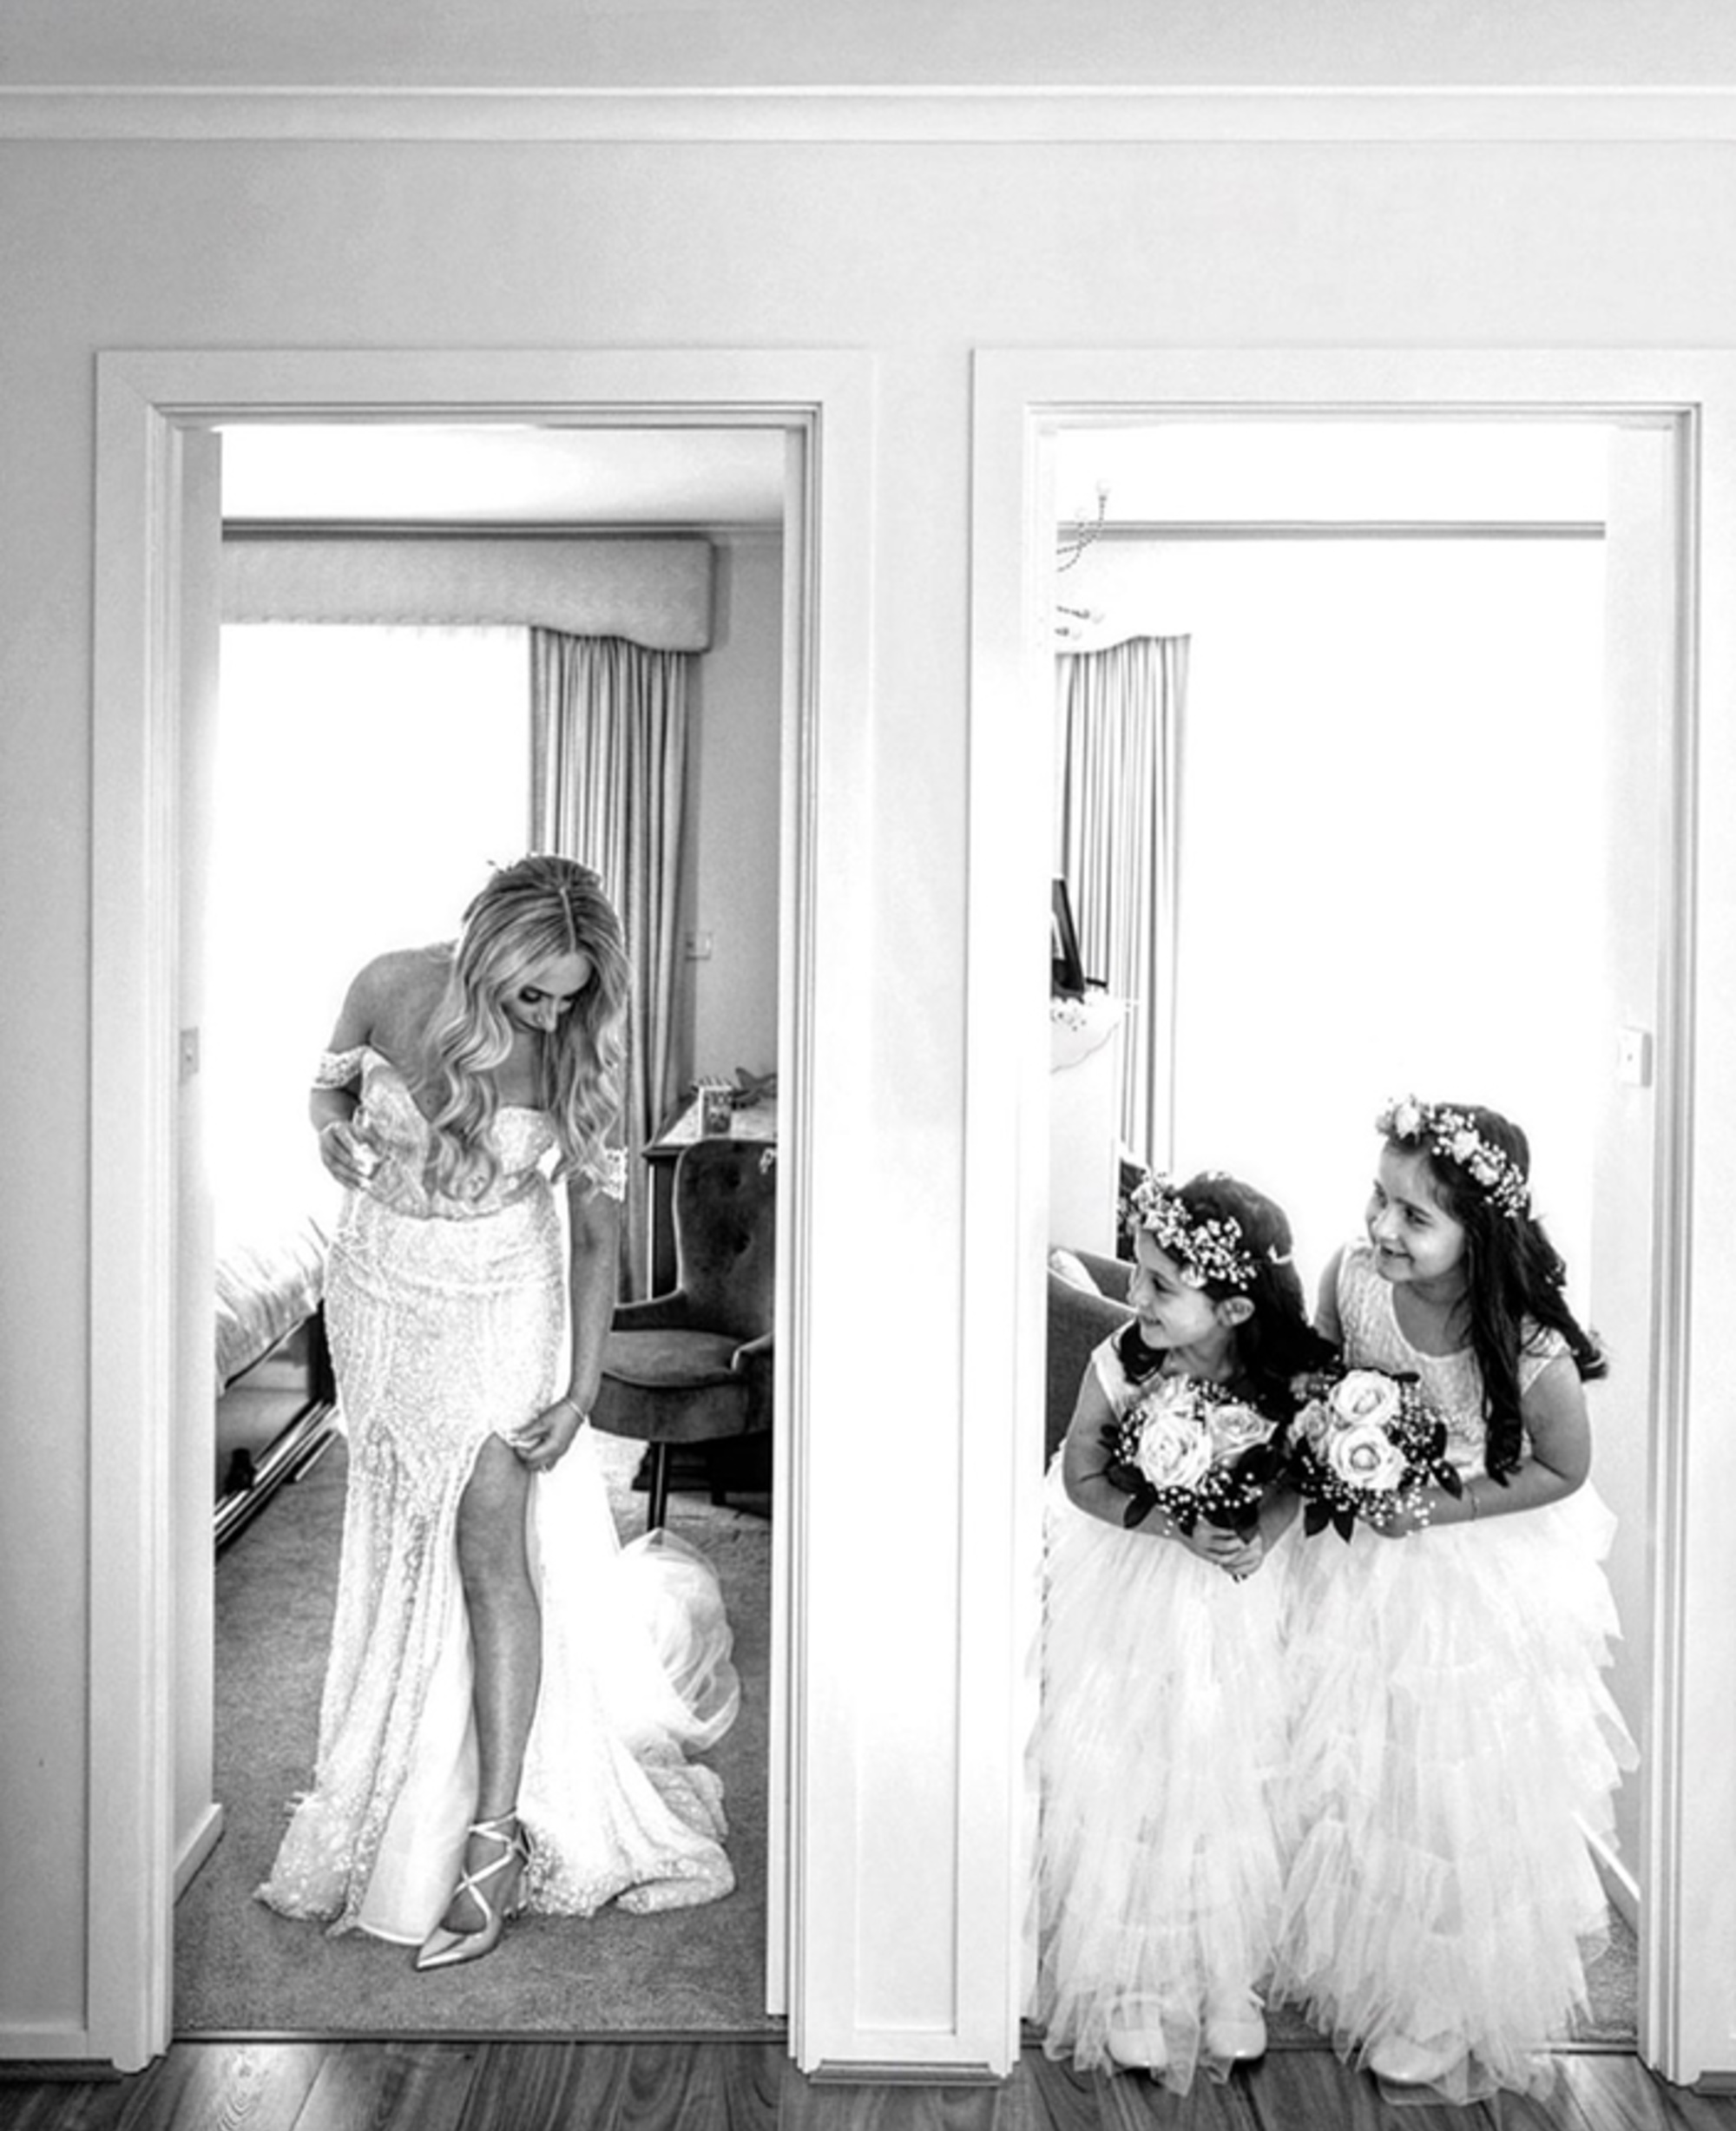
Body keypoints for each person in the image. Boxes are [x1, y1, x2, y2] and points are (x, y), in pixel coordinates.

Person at [258, 854, 739, 1968]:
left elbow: (593, 1235)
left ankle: (495, 1833)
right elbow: (327, 1086)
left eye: (570, 995)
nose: (552, 1012)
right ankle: (390, 1760)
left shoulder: (577, 1052)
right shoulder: (386, 982)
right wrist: (330, 1130)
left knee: (489, 1552)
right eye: (533, 992)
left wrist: (579, 1391)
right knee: (398, 1535)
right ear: (483, 949)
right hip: (378, 1292)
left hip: (502, 1308)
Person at [1273, 1097, 1637, 2100]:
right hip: (1357, 1564)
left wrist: (1440, 1505)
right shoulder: (1349, 1276)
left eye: (1412, 1217)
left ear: (1478, 1233)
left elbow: (1561, 1467)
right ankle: (1365, 1970)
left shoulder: (1523, 1342)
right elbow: (1323, 1374)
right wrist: (1322, 1431)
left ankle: (1441, 1998)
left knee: (1441, 1793)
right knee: (1356, 1769)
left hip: (1467, 1576)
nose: (1382, 1228)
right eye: (1376, 1199)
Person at [1028, 1171, 1334, 2088]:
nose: (1136, 1297)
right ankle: (1128, 1974)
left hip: (1243, 1601)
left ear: (1233, 1304)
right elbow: (1081, 1476)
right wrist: (1169, 1522)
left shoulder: (1287, 1379)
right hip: (1133, 1586)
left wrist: (1260, 1529)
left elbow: (1301, 1478)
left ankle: (1222, 1968)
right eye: (1137, 1274)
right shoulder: (1122, 1362)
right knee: (1135, 1763)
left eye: (1161, 1285)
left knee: (1231, 1767)